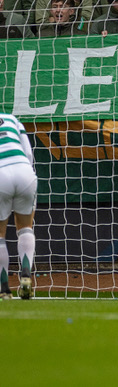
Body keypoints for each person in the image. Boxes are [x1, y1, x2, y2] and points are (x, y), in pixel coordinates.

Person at [0, 113, 36, 299]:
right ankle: (26, 275)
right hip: (24, 171)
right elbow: (28, 152)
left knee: (0, 235)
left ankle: (4, 288)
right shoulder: (12, 119)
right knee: (25, 227)